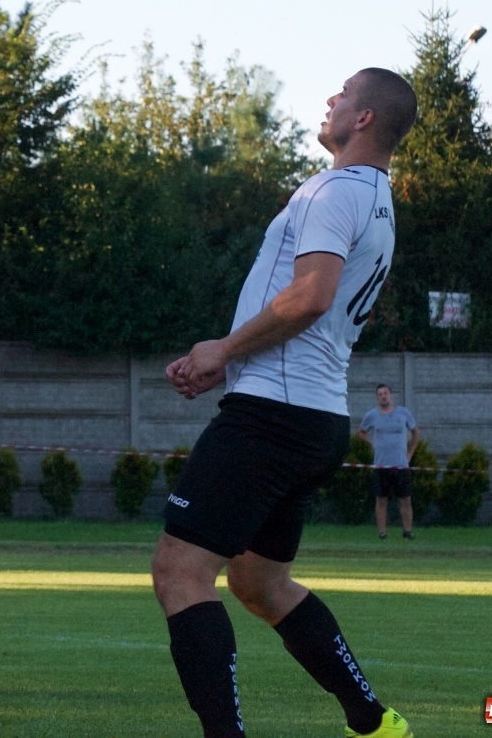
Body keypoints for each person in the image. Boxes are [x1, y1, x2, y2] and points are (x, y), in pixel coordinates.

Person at [152, 68, 418, 738]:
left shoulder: (330, 190)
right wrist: (232, 354)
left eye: (343, 93)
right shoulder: (377, 200)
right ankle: (372, 716)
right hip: (314, 416)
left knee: (181, 570)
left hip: (274, 416)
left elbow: (311, 296)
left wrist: (223, 350)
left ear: (362, 119)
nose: (330, 99)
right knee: (260, 583)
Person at [359, 384, 419, 540]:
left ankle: (407, 531)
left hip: (401, 465)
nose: (383, 396)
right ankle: (382, 533)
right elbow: (361, 432)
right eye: (379, 394)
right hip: (381, 464)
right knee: (381, 500)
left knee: (405, 499)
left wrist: (410, 454)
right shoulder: (371, 415)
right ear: (377, 398)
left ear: (391, 395)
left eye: (385, 393)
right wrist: (372, 442)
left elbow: (415, 434)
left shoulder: (403, 413)